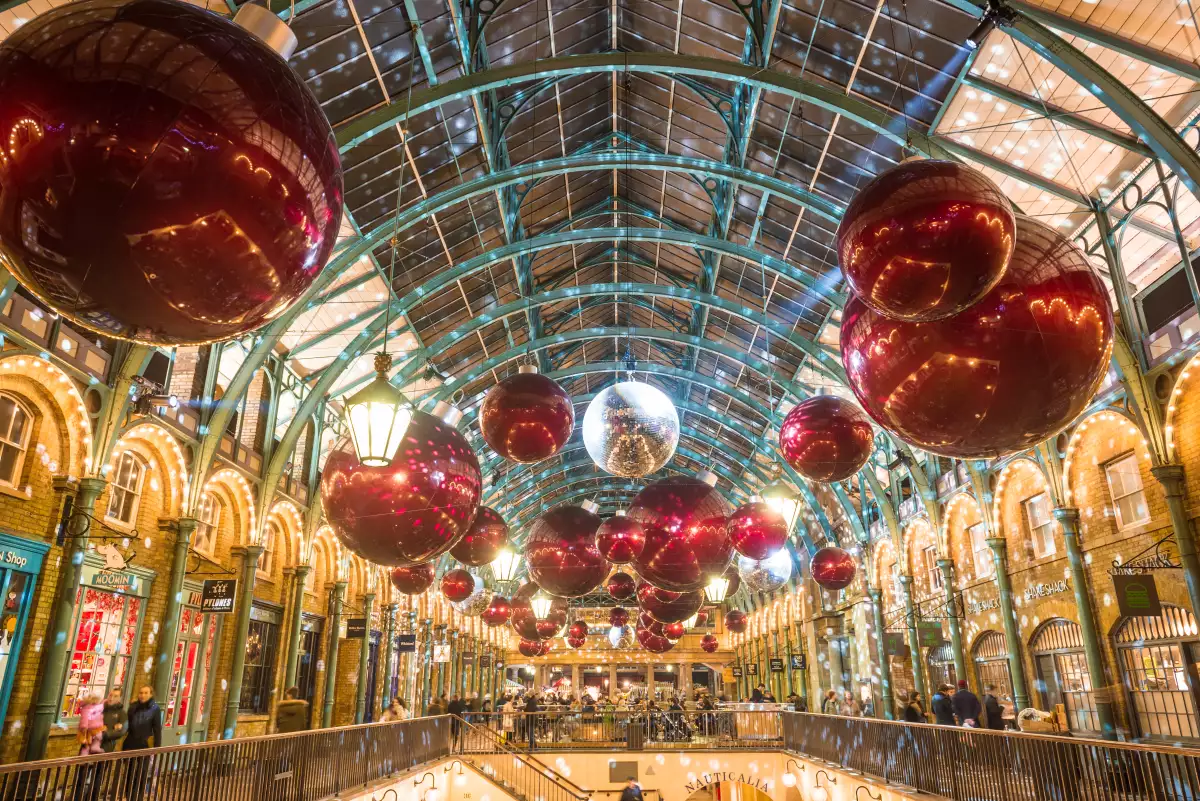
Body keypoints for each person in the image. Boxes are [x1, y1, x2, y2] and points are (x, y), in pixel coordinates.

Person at [122, 686, 162, 801]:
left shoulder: (155, 709)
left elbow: (157, 729)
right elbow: (127, 726)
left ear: (150, 694)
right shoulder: (133, 707)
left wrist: (156, 748)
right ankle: (130, 797)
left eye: (145, 693)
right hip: (130, 744)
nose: (142, 695)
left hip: (144, 746)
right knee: (130, 775)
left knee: (141, 775)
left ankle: (138, 797)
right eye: (141, 692)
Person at [101, 688, 127, 753]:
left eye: (115, 696)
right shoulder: (99, 708)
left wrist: (105, 733)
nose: (111, 698)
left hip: (106, 746)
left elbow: (122, 731)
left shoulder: (122, 713)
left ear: (120, 698)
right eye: (110, 695)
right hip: (89, 744)